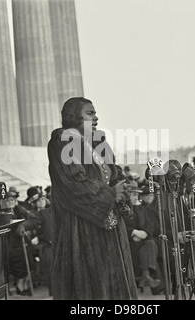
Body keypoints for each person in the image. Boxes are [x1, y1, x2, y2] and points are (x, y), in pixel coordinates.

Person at [47, 97, 138, 300]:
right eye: (90, 113)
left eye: (95, 113)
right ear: (74, 116)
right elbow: (72, 182)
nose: (96, 117)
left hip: (111, 227)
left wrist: (123, 188)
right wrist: (110, 194)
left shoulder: (97, 141)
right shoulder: (62, 141)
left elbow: (114, 173)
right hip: (82, 229)